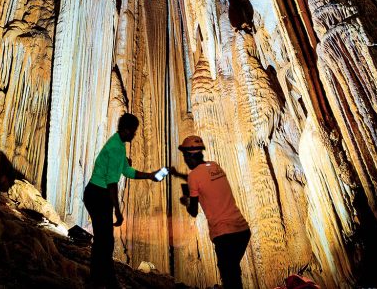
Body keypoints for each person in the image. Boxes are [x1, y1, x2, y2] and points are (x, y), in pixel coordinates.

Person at [83, 113, 165, 288]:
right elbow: (112, 184)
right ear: (126, 130)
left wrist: (150, 175)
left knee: (104, 241)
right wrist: (118, 212)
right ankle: (101, 281)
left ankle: (101, 280)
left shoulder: (119, 144)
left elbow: (127, 171)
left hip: (99, 194)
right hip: (98, 194)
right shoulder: (115, 148)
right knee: (104, 241)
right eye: (133, 131)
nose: (135, 135)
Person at [170, 134, 252, 289]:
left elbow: (193, 211)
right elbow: (203, 178)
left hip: (224, 233)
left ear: (189, 155)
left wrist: (186, 202)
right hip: (242, 231)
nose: (185, 160)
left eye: (185, 156)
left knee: (230, 277)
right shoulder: (214, 166)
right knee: (233, 272)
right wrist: (178, 174)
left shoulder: (194, 177)